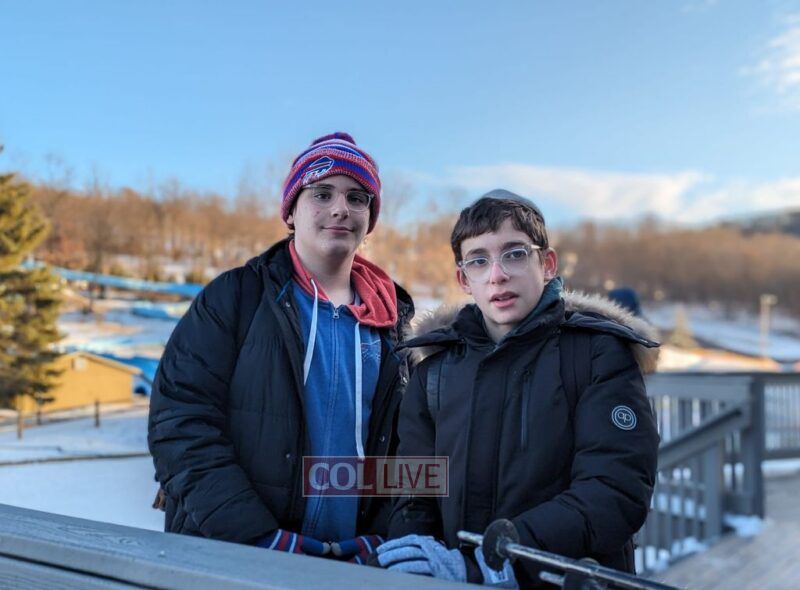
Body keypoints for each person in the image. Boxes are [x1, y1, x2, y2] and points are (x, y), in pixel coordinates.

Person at [148, 132, 414, 564]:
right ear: (291, 210)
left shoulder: (393, 325)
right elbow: (180, 423)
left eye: (357, 198)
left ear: (370, 217)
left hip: (354, 565)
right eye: (322, 194)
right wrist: (258, 539)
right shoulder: (237, 297)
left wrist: (382, 538)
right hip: (236, 558)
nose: (340, 209)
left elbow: (410, 448)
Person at [378, 190, 660, 587]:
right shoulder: (434, 372)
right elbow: (414, 490)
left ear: (547, 264)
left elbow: (614, 490)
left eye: (514, 254)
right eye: (479, 260)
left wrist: (495, 560)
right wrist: (416, 553)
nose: (497, 275)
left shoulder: (596, 355)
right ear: (463, 279)